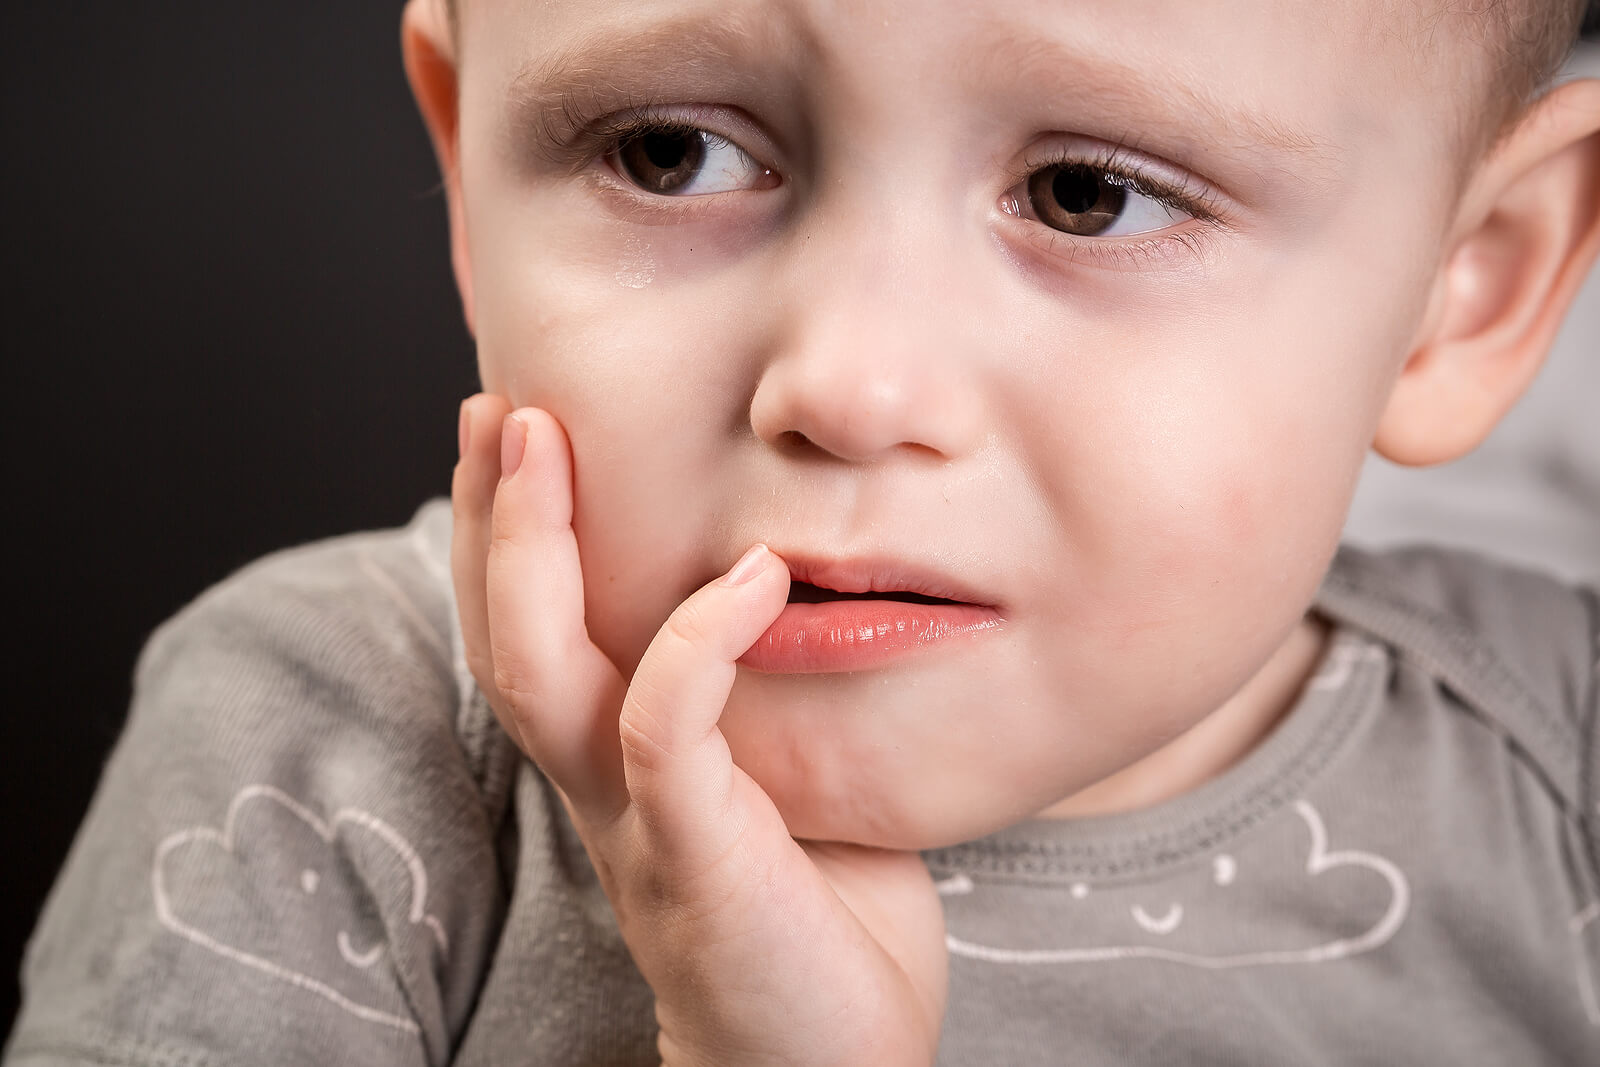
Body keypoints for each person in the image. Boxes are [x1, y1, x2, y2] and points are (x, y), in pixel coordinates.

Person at [8, 0, 1600, 1063]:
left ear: (1470, 282)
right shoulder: (325, 743)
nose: (847, 387)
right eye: (669, 154)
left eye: (1088, 196)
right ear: (467, 178)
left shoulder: (1565, 771)